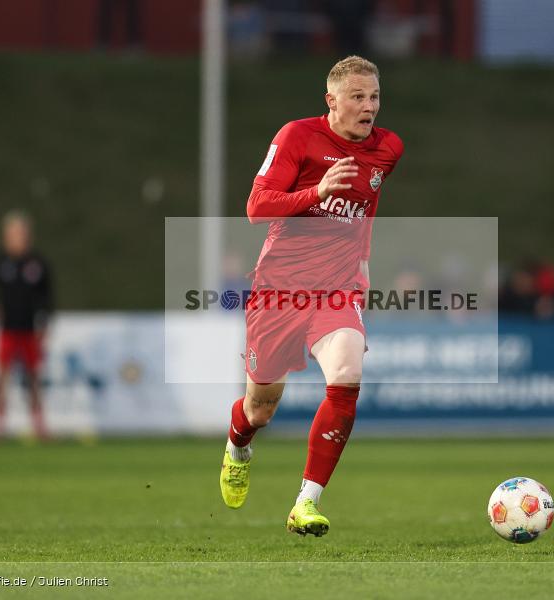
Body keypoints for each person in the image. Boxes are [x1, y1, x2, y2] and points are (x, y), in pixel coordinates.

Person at [219, 55, 403, 537]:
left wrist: (361, 261)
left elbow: (365, 206)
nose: (369, 107)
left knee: (347, 373)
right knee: (261, 407)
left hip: (338, 289)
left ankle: (306, 502)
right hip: (279, 291)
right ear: (332, 101)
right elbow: (256, 208)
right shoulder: (296, 136)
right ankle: (238, 443)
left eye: (375, 97)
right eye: (358, 97)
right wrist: (315, 191)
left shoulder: (388, 149)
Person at [0, 211, 53, 439]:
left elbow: (47, 297)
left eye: (22, 233)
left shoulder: (37, 263)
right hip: (7, 328)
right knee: (2, 377)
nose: (19, 237)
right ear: (6, 236)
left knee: (34, 379)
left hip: (30, 329)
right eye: (14, 233)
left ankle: (40, 426)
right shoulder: (0, 263)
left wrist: (44, 323)